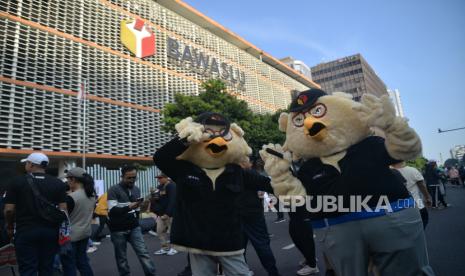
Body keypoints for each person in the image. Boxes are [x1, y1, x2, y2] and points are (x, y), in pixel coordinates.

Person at [4, 152, 67, 275]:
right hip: (50, 232)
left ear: (31, 165)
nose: (26, 165)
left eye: (27, 163)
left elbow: (9, 210)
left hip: (25, 231)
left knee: (28, 269)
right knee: (47, 268)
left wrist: (10, 227)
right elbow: (63, 209)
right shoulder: (58, 183)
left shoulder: (17, 182)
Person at [107, 165, 156, 276]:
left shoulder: (136, 189)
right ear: (122, 177)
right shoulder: (113, 190)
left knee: (144, 253)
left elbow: (137, 210)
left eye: (134, 177)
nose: (132, 180)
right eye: (129, 178)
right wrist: (130, 207)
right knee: (121, 258)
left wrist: (139, 209)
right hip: (118, 229)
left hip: (134, 227)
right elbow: (112, 211)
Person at [239, 159, 281, 276]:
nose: (250, 163)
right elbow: (268, 184)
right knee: (261, 244)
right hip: (252, 212)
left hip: (233, 215)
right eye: (247, 160)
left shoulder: (224, 172)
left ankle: (242, 271)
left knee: (238, 248)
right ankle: (273, 272)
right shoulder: (248, 173)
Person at [60, 167, 96, 276]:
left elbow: (63, 217)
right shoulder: (92, 195)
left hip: (71, 236)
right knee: (82, 262)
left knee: (69, 265)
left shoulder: (71, 197)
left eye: (68, 180)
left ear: (73, 179)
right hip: (85, 233)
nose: (67, 182)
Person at [393, 161, 432, 228]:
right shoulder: (412, 170)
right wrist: (427, 198)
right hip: (417, 206)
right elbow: (422, 186)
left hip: (398, 209)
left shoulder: (389, 173)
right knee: (423, 224)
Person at [151, 173, 177, 256]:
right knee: (159, 231)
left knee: (172, 232)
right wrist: (153, 194)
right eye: (158, 178)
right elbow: (157, 199)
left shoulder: (172, 186)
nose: (158, 179)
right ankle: (164, 248)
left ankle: (174, 248)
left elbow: (172, 200)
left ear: (166, 178)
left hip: (170, 214)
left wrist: (168, 213)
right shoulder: (159, 187)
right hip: (161, 214)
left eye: (160, 178)